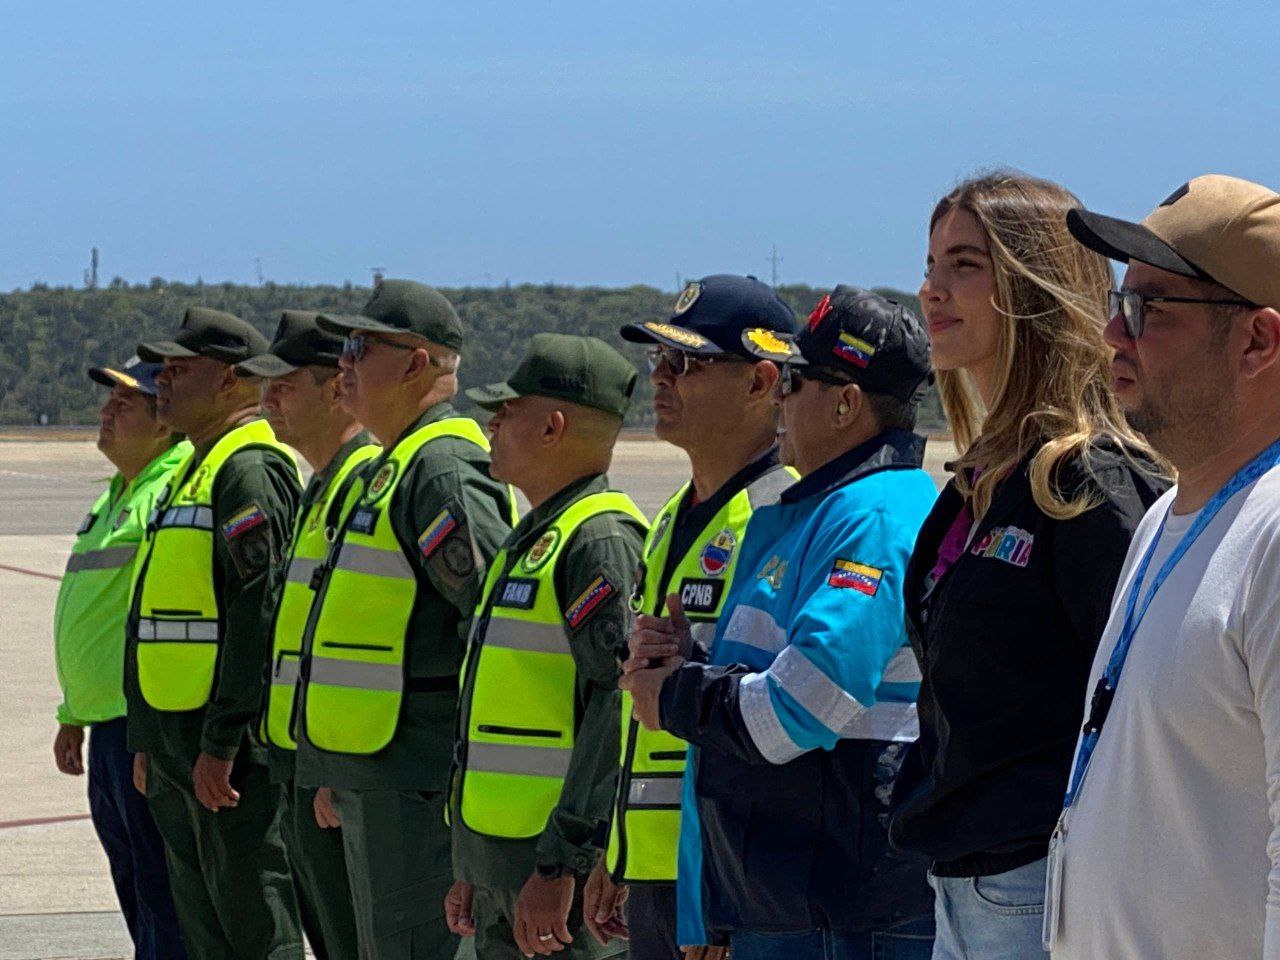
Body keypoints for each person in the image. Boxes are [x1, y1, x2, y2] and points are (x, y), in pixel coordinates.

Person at [887, 172, 1168, 960]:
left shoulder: (1089, 485)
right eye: (932, 263)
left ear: (1035, 287)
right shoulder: (981, 482)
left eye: (965, 266)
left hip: (1043, 889)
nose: (931, 290)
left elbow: (1142, 714)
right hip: (960, 887)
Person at [622, 286, 939, 960]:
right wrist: (688, 661)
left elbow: (805, 703)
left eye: (793, 381)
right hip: (792, 903)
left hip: (840, 914)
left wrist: (677, 693)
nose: (779, 400)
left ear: (847, 404)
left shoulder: (873, 519)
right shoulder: (816, 513)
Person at [1046, 174, 1280, 958]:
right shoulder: (1162, 518)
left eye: (1148, 311)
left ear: (1258, 341)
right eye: (1119, 302)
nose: (1113, 333)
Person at [292, 280, 515, 960]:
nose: (343, 365)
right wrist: (337, 761)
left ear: (417, 364)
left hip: (418, 784)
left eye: (360, 348)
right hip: (377, 774)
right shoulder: (392, 466)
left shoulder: (442, 468)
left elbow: (491, 629)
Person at [583, 275, 799, 960]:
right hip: (656, 871)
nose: (662, 379)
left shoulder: (784, 517)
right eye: (660, 361)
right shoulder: (675, 516)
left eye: (689, 364)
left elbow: (781, 721)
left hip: (724, 887)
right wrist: (617, 852)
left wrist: (729, 903)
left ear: (762, 381)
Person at [443, 333, 647, 959]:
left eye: (506, 411)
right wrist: (471, 863)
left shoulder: (597, 542)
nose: (490, 424)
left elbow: (615, 710)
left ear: (553, 425)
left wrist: (562, 865)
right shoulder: (532, 538)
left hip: (552, 871)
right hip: (501, 863)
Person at [124, 306, 305, 960]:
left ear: (232, 382)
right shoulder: (191, 470)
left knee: (254, 918)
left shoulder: (248, 469)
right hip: (178, 740)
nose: (160, 381)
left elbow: (257, 615)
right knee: (203, 925)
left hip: (223, 748)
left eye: (179, 369)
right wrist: (147, 738)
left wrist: (223, 740)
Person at [238, 311, 381, 960]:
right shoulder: (320, 489)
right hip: (301, 762)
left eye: (284, 385)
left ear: (334, 389)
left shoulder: (365, 485)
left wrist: (336, 769)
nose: (266, 399)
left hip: (338, 774)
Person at [51, 357, 190, 960]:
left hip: (142, 725)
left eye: (124, 403)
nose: (106, 412)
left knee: (164, 891)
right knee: (135, 884)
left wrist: (147, 729)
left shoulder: (170, 489)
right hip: (106, 722)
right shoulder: (119, 494)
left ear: (164, 422)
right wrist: (71, 712)